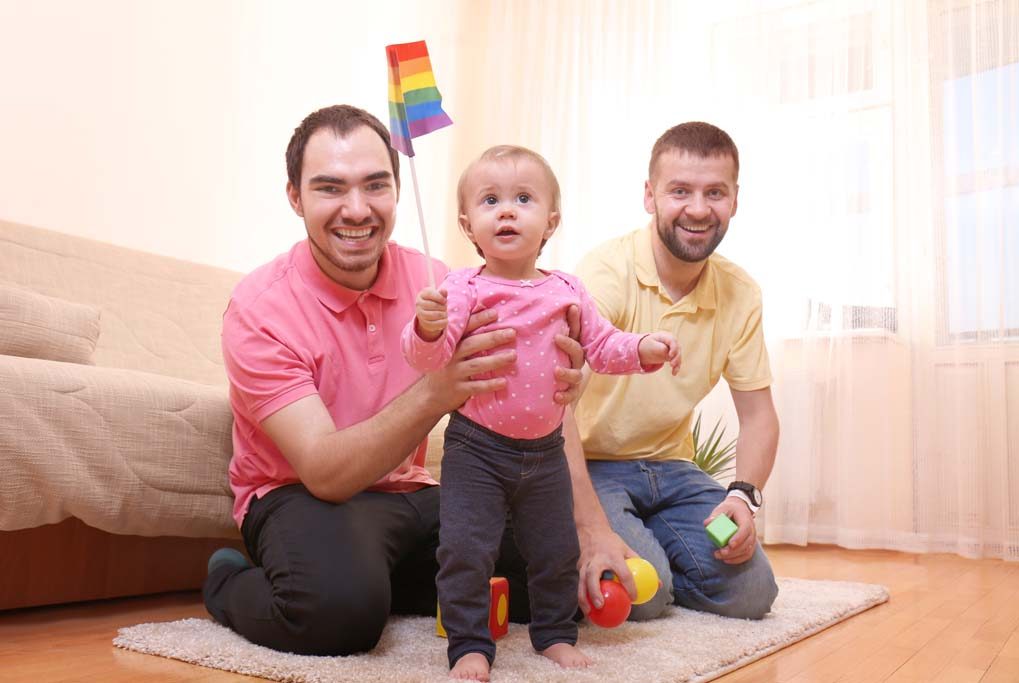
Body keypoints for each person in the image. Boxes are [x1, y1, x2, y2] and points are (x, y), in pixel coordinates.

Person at [202, 106, 587, 657]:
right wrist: (438, 389)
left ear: (397, 190)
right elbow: (326, 473)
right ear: (295, 197)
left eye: (374, 185)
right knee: (337, 615)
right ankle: (227, 578)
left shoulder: (440, 282)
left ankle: (382, 579)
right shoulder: (260, 308)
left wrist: (566, 384)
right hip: (299, 495)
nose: (356, 209)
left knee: (556, 577)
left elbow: (537, 399)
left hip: (410, 494)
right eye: (330, 188)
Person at [401, 145, 680, 679]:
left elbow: (602, 346)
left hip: (547, 452)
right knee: (465, 551)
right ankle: (468, 644)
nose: (506, 211)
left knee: (555, 551)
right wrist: (429, 325)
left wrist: (645, 348)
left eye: (522, 199)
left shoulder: (567, 289)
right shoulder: (461, 288)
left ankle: (553, 634)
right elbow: (428, 360)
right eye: (490, 200)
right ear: (468, 225)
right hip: (475, 448)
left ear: (550, 221)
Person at [570, 121, 781, 623]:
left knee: (754, 592)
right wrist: (590, 526)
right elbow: (555, 403)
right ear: (650, 196)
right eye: (680, 191)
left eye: (715, 193)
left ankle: (656, 551)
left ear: (734, 199)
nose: (698, 209)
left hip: (673, 471)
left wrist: (742, 498)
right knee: (645, 592)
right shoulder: (605, 272)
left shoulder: (740, 292)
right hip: (591, 465)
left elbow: (759, 416)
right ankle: (628, 557)